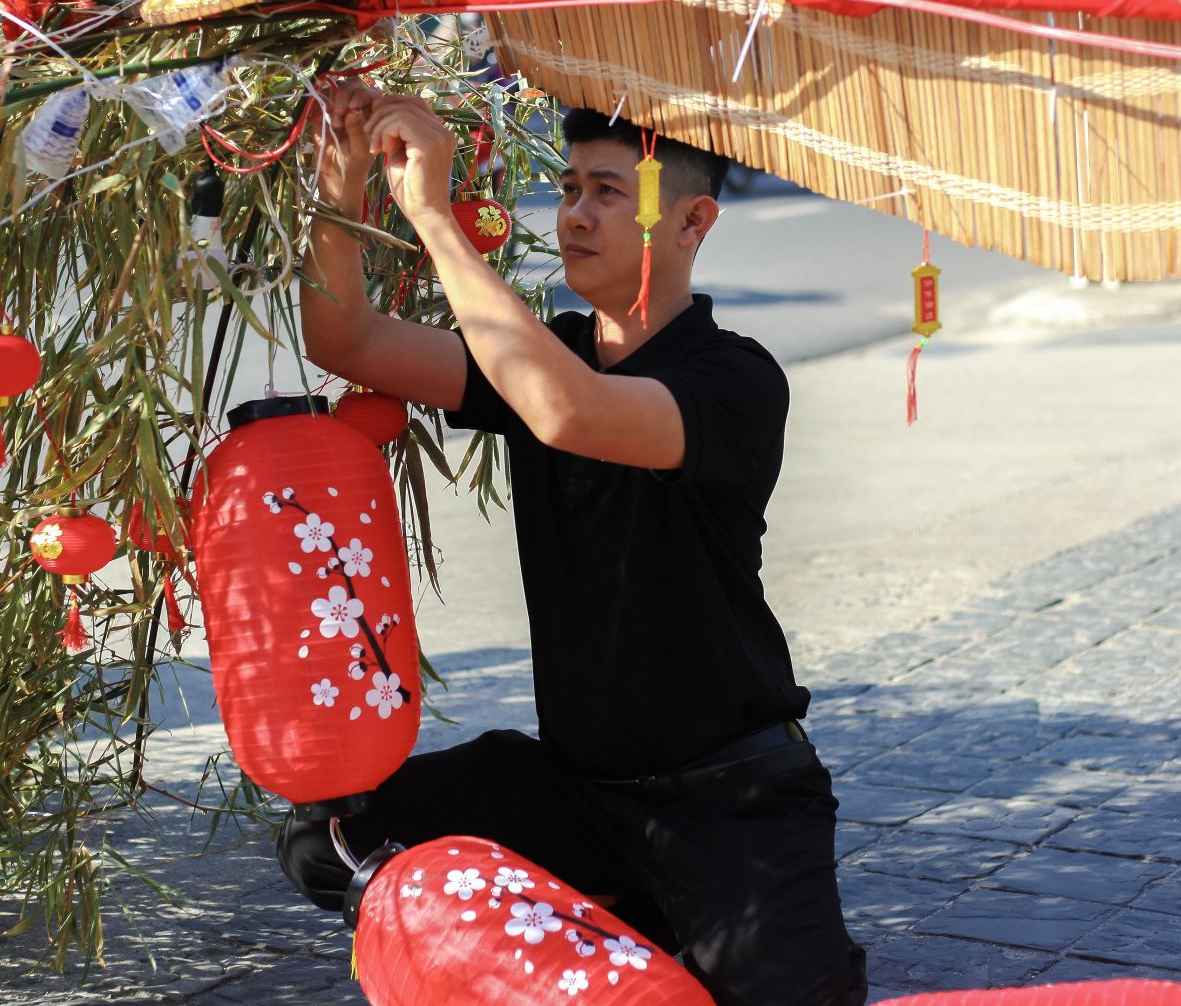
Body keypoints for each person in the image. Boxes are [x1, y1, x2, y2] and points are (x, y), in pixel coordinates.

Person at [278, 82, 866, 1006]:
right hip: (576, 792)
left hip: (730, 797)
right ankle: (621, 924)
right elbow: (344, 337)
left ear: (691, 221)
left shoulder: (736, 379)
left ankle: (662, 929)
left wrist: (433, 216)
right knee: (332, 841)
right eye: (568, 189)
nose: (576, 215)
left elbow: (564, 411)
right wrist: (343, 177)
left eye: (607, 192)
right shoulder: (546, 353)